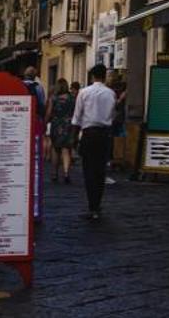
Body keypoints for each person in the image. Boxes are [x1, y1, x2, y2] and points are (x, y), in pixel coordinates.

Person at [71, 64, 117, 221]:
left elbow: (77, 117)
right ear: (104, 76)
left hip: (89, 134)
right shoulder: (111, 93)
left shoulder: (84, 92)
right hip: (105, 135)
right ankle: (97, 203)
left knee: (89, 171)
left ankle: (93, 205)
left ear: (92, 76)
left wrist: (74, 138)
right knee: (100, 170)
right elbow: (112, 114)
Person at [48, 81, 77, 184]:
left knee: (55, 149)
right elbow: (75, 113)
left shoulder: (53, 98)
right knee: (66, 149)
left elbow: (49, 112)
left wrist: (46, 121)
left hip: (56, 124)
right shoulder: (72, 99)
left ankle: (54, 174)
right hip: (67, 124)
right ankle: (66, 173)